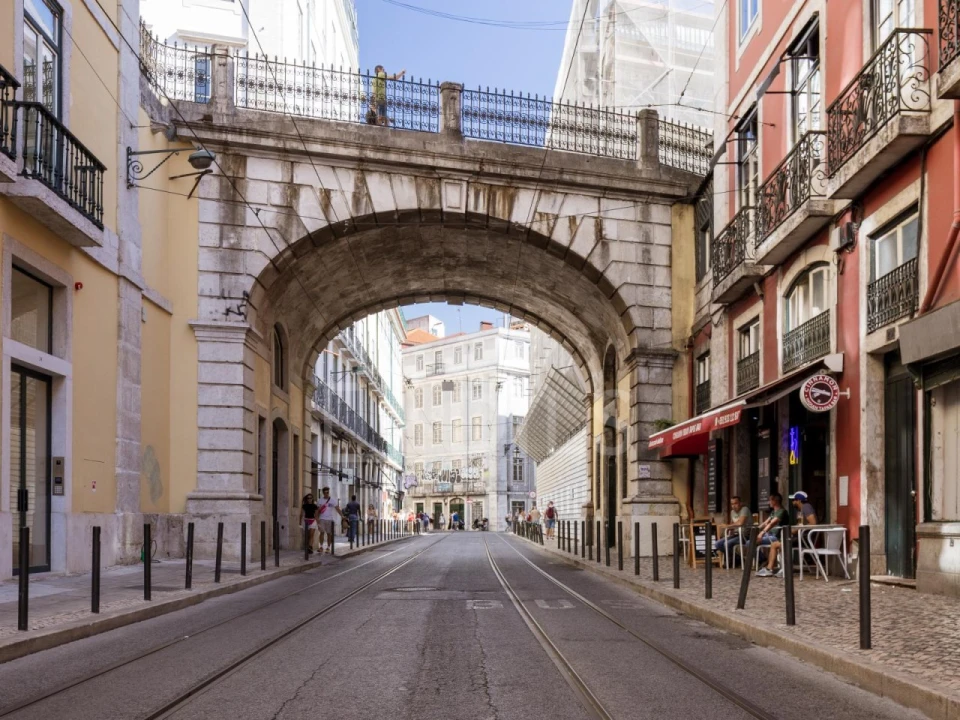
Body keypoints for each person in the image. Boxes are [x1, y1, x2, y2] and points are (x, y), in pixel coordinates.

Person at [760, 491, 818, 577]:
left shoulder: (806, 507)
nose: (792, 502)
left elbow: (813, 523)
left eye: (793, 500)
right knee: (779, 543)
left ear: (798, 500)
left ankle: (773, 569)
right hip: (801, 537)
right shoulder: (802, 509)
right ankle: (780, 568)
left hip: (804, 538)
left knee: (775, 545)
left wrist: (795, 530)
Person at [755, 493, 790, 577]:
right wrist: (755, 530)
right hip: (773, 536)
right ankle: (768, 566)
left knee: (752, 542)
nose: (768, 502)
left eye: (770, 500)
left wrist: (761, 533)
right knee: (751, 541)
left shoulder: (782, 511)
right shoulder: (773, 512)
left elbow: (772, 523)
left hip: (778, 536)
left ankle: (766, 564)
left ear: (775, 501)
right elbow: (766, 523)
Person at [714, 496, 752, 566]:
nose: (734, 506)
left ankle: (729, 562)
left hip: (746, 535)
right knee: (718, 544)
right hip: (737, 534)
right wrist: (730, 529)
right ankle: (737, 559)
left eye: (735, 503)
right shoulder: (732, 512)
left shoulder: (745, 509)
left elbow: (740, 523)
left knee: (727, 543)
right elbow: (733, 524)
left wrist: (727, 526)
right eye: (732, 504)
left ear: (740, 503)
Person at [316, 487, 342, 554]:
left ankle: (328, 547)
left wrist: (342, 516)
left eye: (327, 492)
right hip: (322, 518)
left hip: (330, 519)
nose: (326, 494)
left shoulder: (333, 500)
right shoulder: (320, 500)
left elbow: (337, 509)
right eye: (325, 492)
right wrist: (317, 519)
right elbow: (317, 511)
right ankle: (321, 546)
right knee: (321, 533)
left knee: (329, 534)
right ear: (323, 493)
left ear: (329, 492)